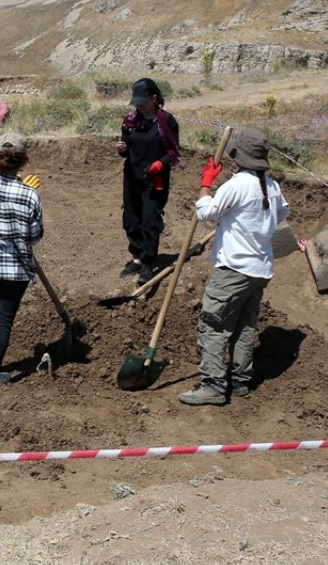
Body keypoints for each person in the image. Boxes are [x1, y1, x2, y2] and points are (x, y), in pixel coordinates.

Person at [179, 128, 290, 406]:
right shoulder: (271, 185)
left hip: (234, 270)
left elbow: (205, 212)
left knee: (212, 324)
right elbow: (282, 213)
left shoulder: (238, 184)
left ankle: (213, 386)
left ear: (238, 156)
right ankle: (240, 382)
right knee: (244, 325)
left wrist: (206, 184)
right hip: (260, 268)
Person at [0, 133, 43, 394]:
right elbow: (35, 236)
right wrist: (27, 190)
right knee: (4, 319)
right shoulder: (30, 196)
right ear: (23, 161)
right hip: (16, 269)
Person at [116, 77, 182, 285]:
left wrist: (160, 164)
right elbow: (126, 149)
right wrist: (122, 148)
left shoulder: (166, 121)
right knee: (131, 219)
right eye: (137, 103)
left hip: (155, 180)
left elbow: (173, 152)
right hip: (132, 177)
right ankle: (136, 257)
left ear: (154, 98)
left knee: (149, 221)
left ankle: (148, 263)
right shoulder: (130, 121)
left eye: (143, 102)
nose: (139, 106)